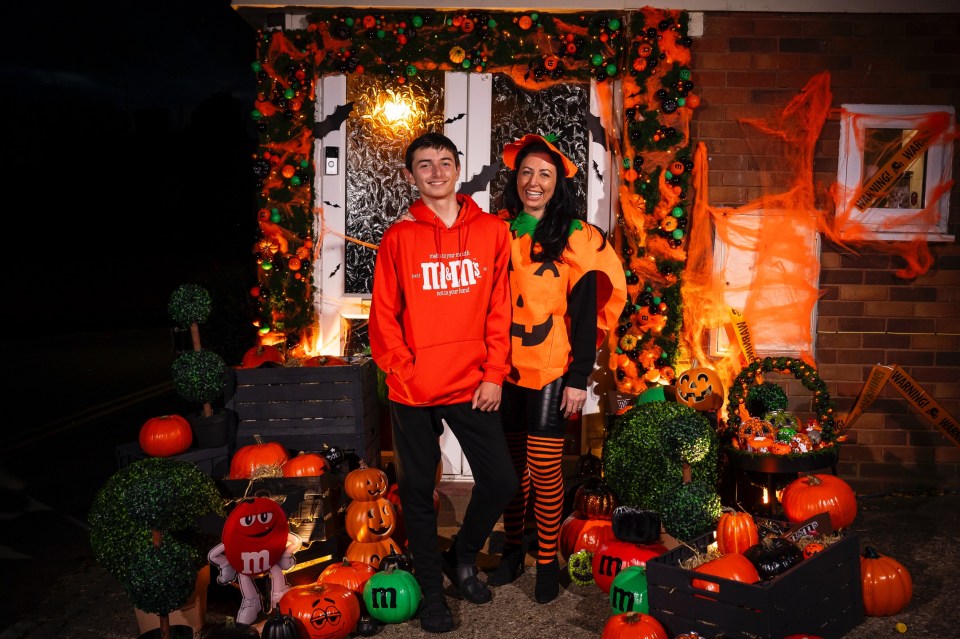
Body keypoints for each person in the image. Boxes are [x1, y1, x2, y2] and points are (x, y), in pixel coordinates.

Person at [369, 131, 519, 633]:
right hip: (414, 388)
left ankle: (462, 557)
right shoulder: (399, 238)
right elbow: (384, 317)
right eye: (424, 165)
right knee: (417, 491)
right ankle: (433, 594)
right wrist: (402, 370)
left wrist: (495, 374)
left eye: (445, 161)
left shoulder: (492, 231)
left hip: (473, 382)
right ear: (411, 176)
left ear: (458, 168)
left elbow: (500, 308)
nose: (436, 172)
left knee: (499, 480)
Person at [486, 133, 627, 603]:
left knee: (544, 470)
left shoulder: (577, 238)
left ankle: (546, 561)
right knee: (510, 471)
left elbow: (585, 315)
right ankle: (512, 549)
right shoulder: (498, 232)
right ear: (515, 178)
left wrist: (578, 378)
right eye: (526, 172)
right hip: (501, 369)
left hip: (550, 366)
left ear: (557, 183)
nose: (533, 181)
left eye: (544, 173)